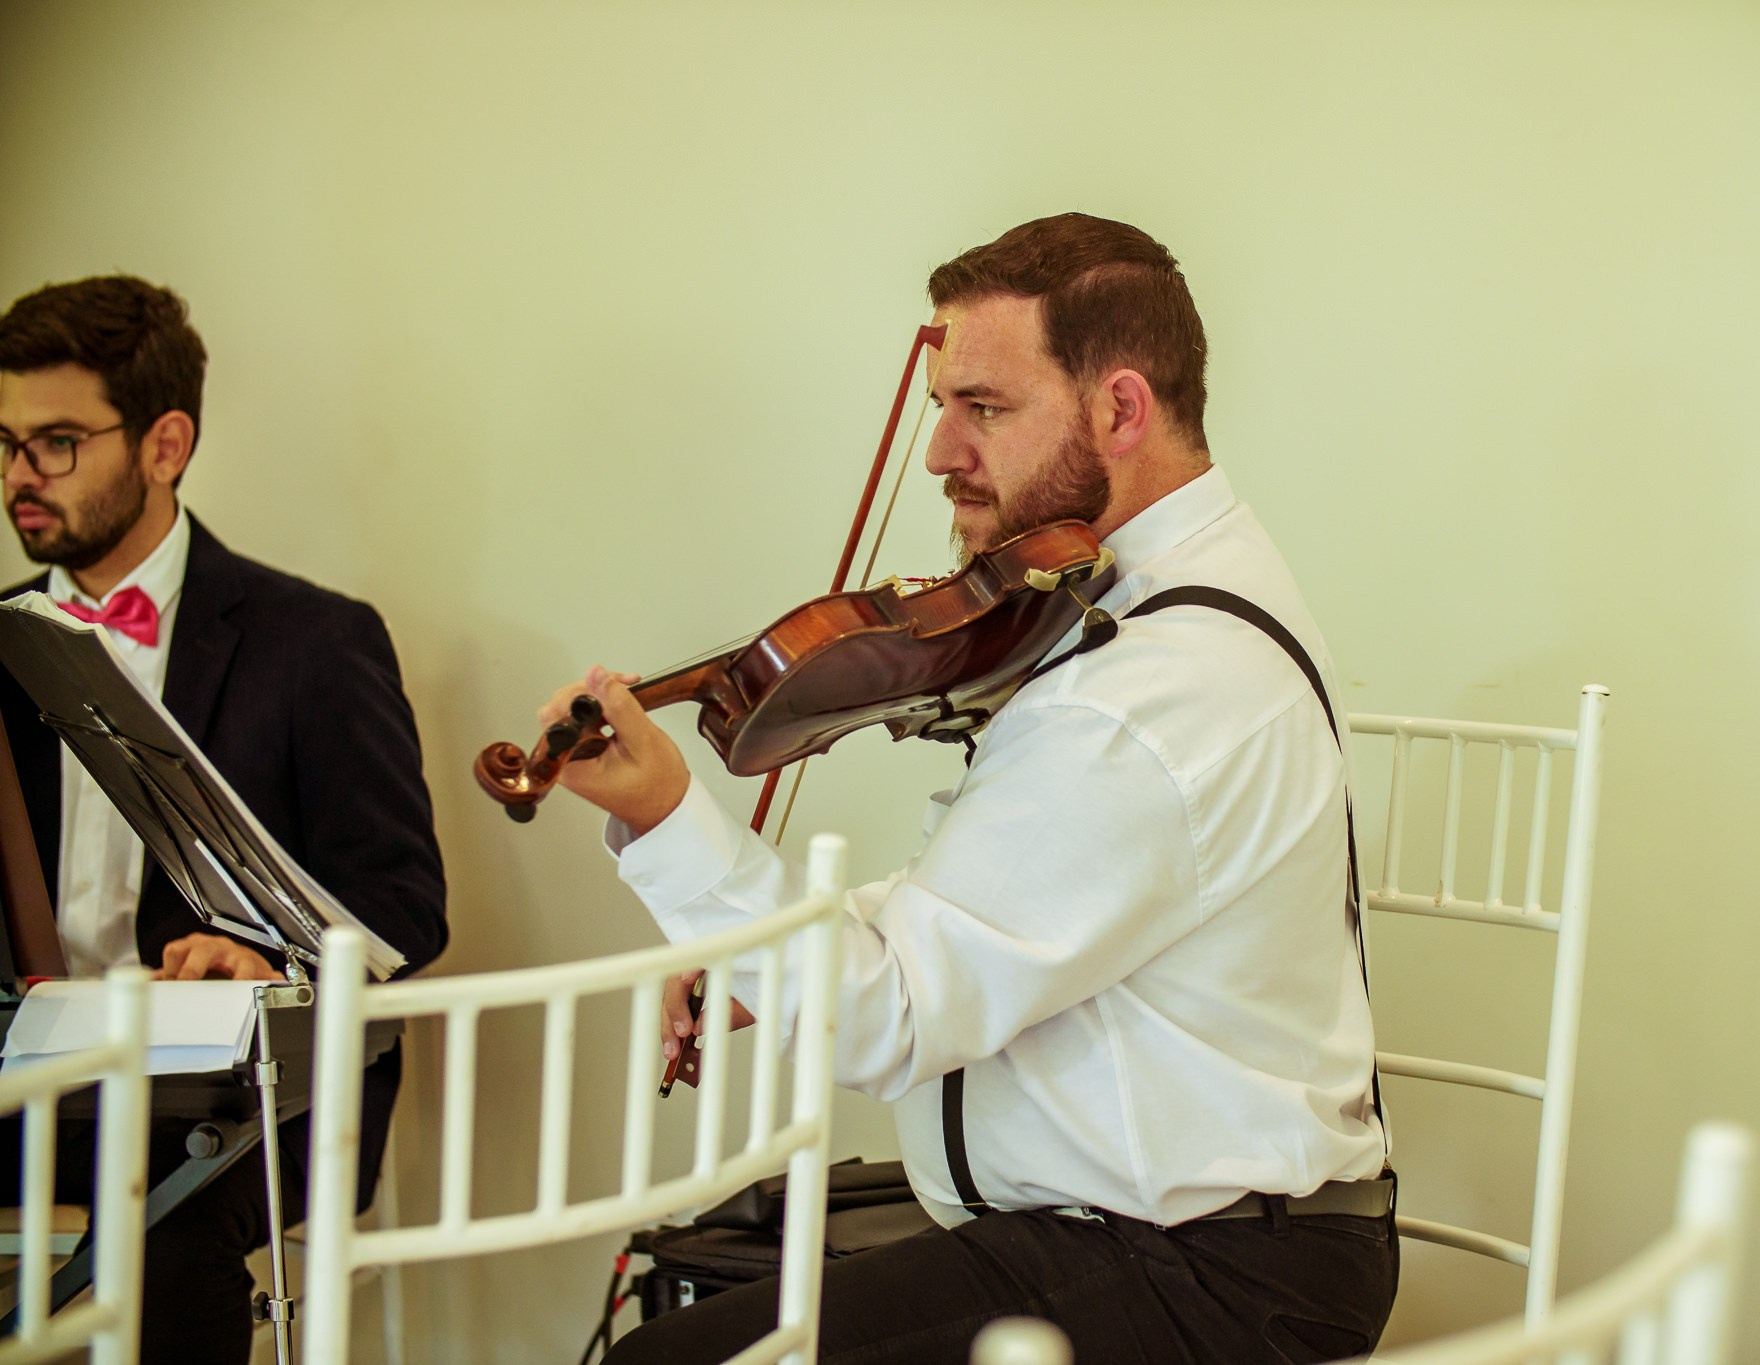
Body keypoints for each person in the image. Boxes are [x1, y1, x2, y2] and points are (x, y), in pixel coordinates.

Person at [567, 214, 1394, 1364]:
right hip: (1133, 1235)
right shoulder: (1136, 594)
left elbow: (889, 1020)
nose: (939, 452)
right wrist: (807, 936)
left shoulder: (1149, 687)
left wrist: (668, 823)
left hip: (1202, 1274)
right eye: (941, 406)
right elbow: (1015, 898)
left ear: (1118, 410)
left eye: (985, 409)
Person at [0, 275, 447, 1364]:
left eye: (56, 443)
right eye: (6, 441)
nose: (19, 477)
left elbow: (404, 905)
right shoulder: (6, 636)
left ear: (164, 444)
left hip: (240, 1089)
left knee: (165, 1234)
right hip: (31, 1068)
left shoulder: (317, 641)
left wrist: (257, 951)